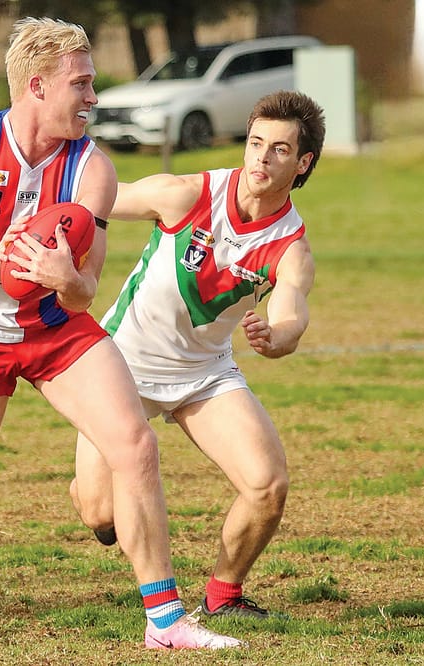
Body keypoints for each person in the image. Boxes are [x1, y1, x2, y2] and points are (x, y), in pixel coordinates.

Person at [0, 17, 242, 650]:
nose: (93, 97)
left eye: (92, 83)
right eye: (81, 84)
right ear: (36, 85)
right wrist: (1, 259)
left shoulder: (94, 169)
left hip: (57, 331)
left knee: (135, 446)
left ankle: (165, 620)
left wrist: (63, 278)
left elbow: (87, 289)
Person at [70, 90, 326, 619]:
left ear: (303, 163)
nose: (261, 157)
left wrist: (278, 338)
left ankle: (224, 593)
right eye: (255, 143)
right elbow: (98, 198)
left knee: (267, 484)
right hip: (121, 366)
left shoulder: (290, 246)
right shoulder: (187, 193)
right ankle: (91, 493)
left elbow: (291, 309)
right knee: (99, 512)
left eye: (279, 149)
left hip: (204, 373)